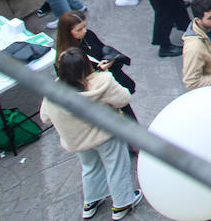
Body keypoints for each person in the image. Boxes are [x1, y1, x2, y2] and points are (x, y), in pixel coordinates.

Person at [39, 49, 144, 221]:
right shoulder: (102, 81)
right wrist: (105, 72)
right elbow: (124, 98)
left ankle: (91, 201)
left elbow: (45, 118)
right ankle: (122, 203)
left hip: (77, 139)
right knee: (117, 167)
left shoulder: (53, 90)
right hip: (106, 133)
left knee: (89, 167)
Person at [54, 10, 137, 119]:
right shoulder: (66, 56)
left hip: (111, 86)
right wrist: (98, 71)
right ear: (67, 32)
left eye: (84, 26)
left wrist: (109, 60)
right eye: (79, 29)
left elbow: (102, 50)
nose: (84, 31)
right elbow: (74, 83)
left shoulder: (88, 35)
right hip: (97, 96)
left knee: (129, 118)